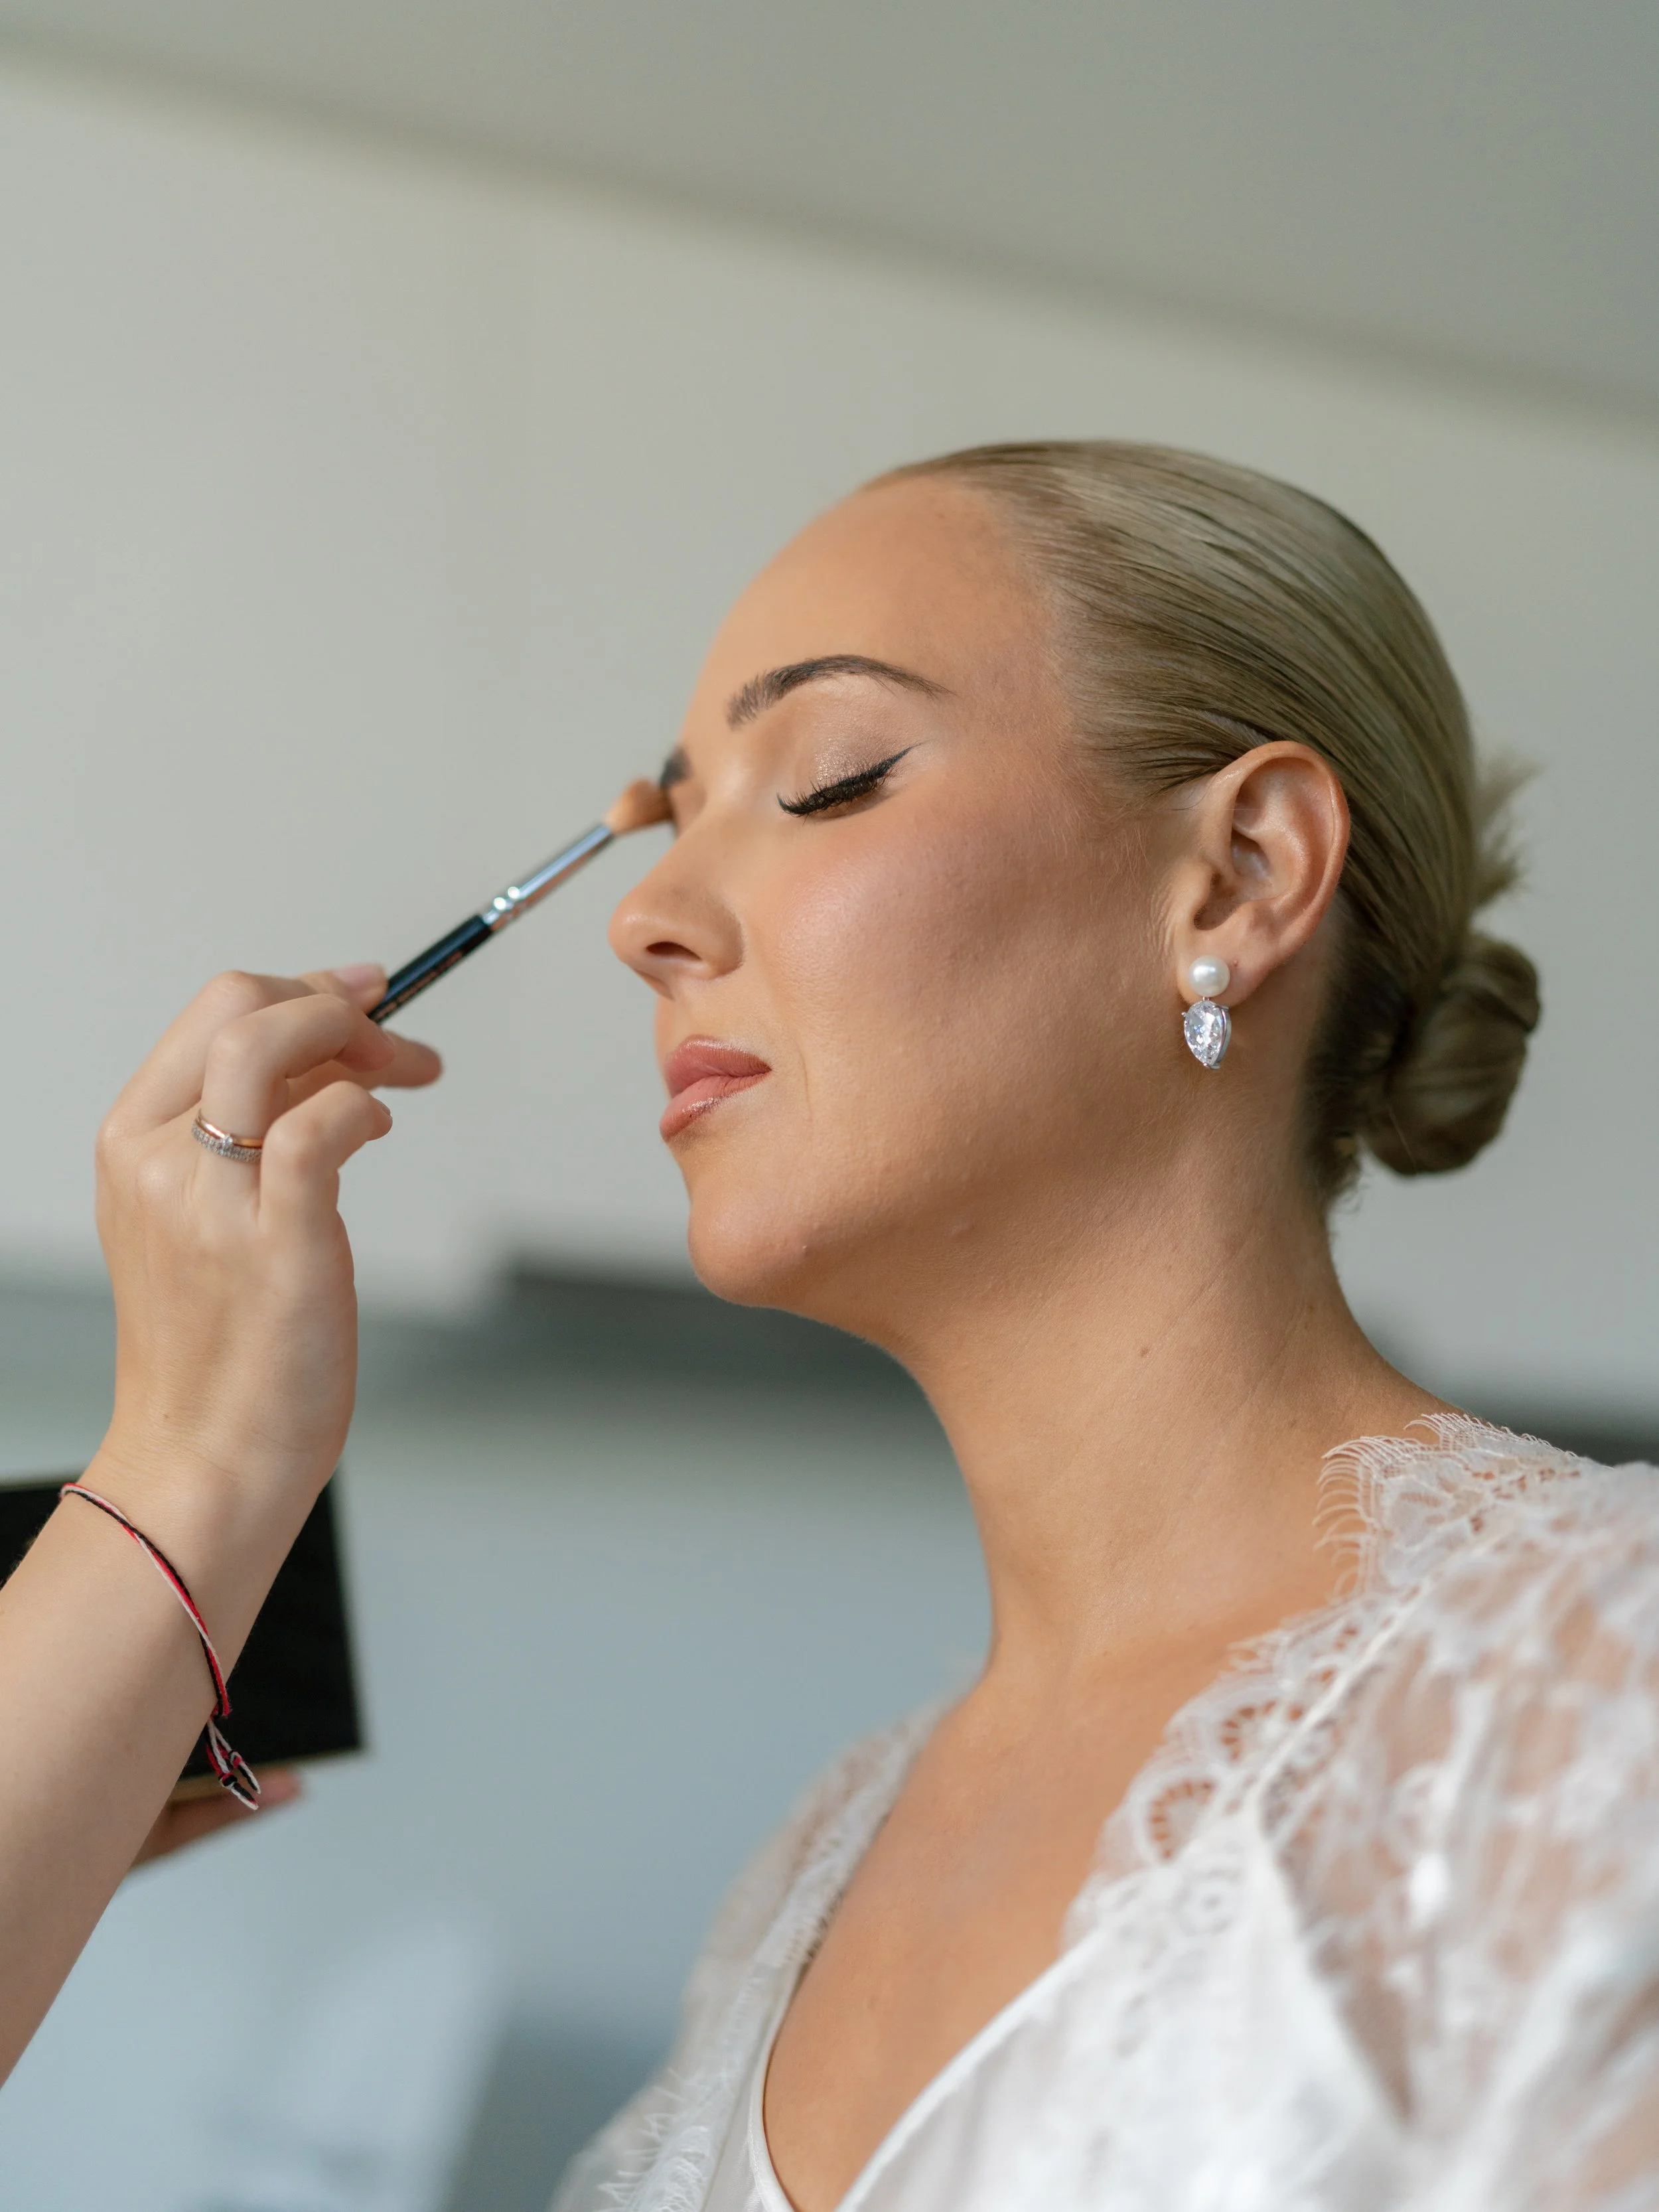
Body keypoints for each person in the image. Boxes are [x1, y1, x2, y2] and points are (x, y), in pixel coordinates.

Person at [1, 443, 1652, 2209]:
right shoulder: (816, 1864)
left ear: (1241, 874)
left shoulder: (1587, 1691)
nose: (643, 917)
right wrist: (184, 1468)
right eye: (676, 805)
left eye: (827, 778)